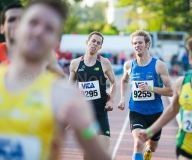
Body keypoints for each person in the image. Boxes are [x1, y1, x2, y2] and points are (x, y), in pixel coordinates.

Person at [0, 1, 111, 160]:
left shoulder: (67, 96)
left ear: (55, 41)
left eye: (49, 29)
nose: (39, 31)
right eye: (33, 22)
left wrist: (85, 131)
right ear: (18, 28)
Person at [117, 29, 173, 160]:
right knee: (138, 143)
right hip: (137, 111)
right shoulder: (129, 65)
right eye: (135, 43)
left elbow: (170, 91)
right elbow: (124, 80)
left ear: (147, 44)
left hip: (155, 113)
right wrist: (122, 99)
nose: (137, 45)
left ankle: (148, 152)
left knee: (152, 147)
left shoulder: (159, 65)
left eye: (140, 43)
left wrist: (151, 88)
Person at [68, 31, 117, 160]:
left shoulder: (104, 63)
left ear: (100, 47)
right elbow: (69, 88)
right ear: (87, 42)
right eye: (93, 41)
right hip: (85, 116)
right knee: (90, 152)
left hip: (100, 113)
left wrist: (111, 101)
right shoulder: (75, 64)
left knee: (104, 147)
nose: (95, 44)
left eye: (98, 43)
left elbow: (114, 83)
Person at [0, 3, 66, 78]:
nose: (16, 23)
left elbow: (63, 81)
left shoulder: (46, 55)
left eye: (21, 19)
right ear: (1, 28)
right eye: (11, 20)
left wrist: (53, 67)